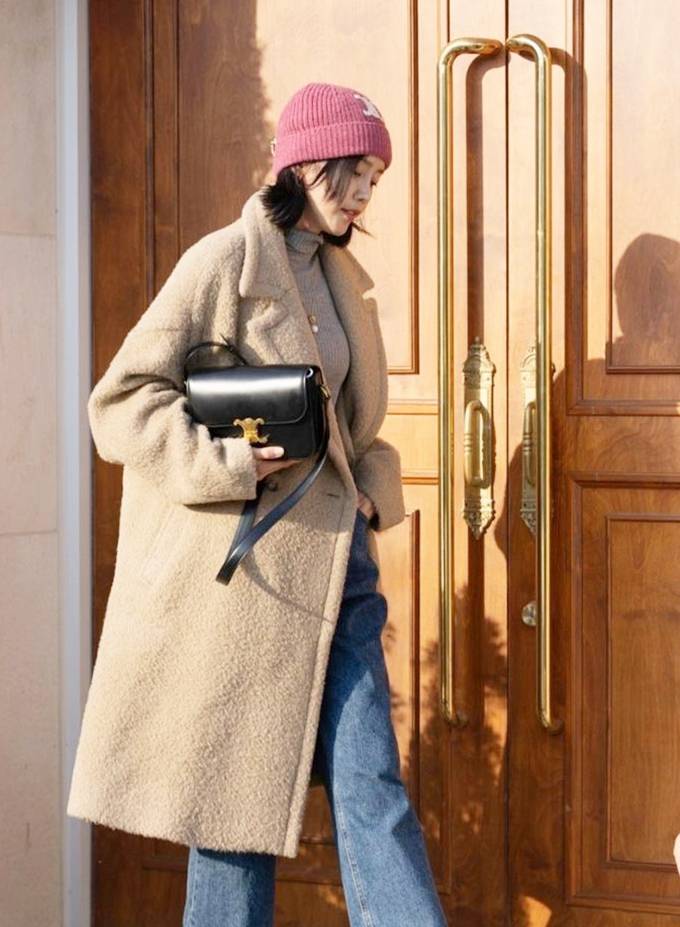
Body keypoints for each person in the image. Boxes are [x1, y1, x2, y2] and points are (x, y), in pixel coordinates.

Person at [66, 81, 447, 927]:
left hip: (341, 568)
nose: (364, 192)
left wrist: (372, 491)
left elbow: (348, 422)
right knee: (233, 822)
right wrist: (229, 462)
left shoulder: (340, 277)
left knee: (372, 788)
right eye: (353, 170)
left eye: (375, 177)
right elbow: (119, 402)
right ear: (304, 164)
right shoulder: (221, 265)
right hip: (254, 587)